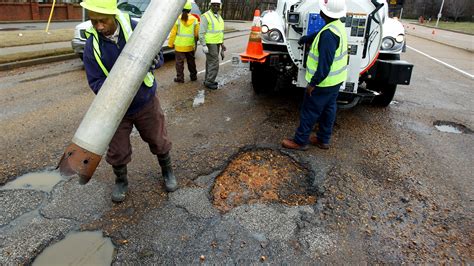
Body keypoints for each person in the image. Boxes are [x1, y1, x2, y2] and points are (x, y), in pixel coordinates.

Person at [80, 0, 178, 203]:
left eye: (103, 21)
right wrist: (117, 90)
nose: (99, 27)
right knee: (117, 150)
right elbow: (95, 81)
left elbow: (157, 54)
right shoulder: (93, 46)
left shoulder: (136, 28)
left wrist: (155, 60)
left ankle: (167, 171)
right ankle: (121, 181)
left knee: (158, 139)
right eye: (94, 22)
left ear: (113, 16)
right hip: (116, 109)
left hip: (145, 101)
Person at [282, 0, 348, 150]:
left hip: (323, 83)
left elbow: (324, 65)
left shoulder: (328, 35)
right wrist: (306, 38)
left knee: (310, 111)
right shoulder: (337, 26)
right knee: (328, 110)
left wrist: (313, 83)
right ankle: (323, 139)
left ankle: (300, 141)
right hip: (335, 81)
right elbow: (320, 34)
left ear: (324, 13)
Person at [168, 1, 200, 83]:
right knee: (191, 61)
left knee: (179, 63)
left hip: (179, 46)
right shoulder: (195, 19)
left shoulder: (178, 19)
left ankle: (180, 78)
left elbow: (173, 33)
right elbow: (197, 33)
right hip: (190, 45)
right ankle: (193, 76)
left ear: (182, 9)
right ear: (190, 9)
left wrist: (170, 43)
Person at [199, 0, 226, 90]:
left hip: (217, 43)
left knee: (210, 62)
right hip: (210, 44)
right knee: (214, 63)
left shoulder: (218, 16)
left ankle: (208, 79)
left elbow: (220, 32)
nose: (215, 7)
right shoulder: (206, 16)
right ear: (210, 5)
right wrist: (203, 45)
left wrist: (222, 44)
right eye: (214, 5)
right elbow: (201, 32)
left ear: (220, 6)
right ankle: (210, 81)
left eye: (217, 5)